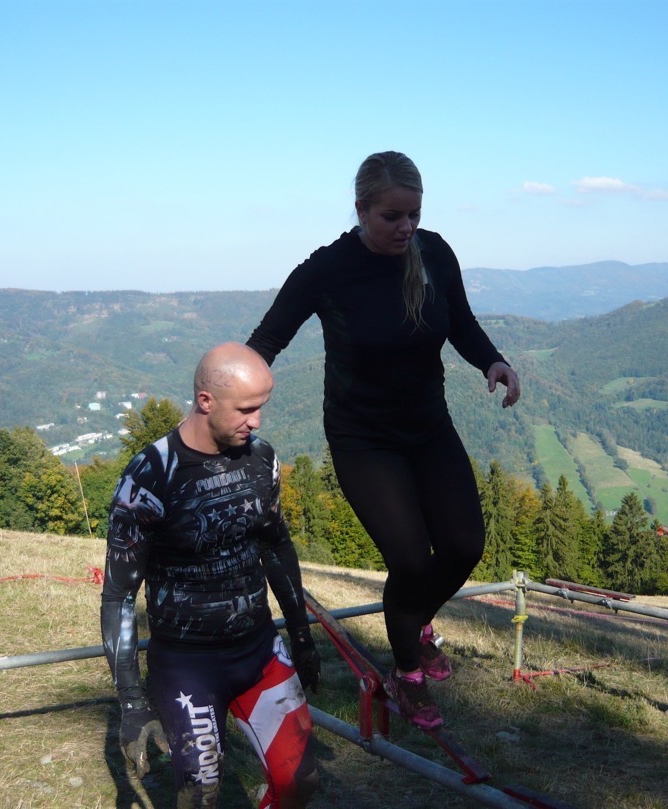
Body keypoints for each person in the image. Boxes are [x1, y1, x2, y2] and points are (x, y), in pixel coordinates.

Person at [246, 151, 520, 730]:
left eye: (414, 215)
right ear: (361, 209)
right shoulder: (328, 268)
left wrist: (492, 361)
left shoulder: (435, 253)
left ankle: (414, 622)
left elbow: (461, 322)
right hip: (362, 436)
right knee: (409, 558)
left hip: (428, 426)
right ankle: (407, 674)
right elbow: (267, 340)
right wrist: (231, 397)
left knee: (465, 544)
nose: (406, 228)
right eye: (393, 216)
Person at [100, 342, 320, 808]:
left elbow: (276, 546)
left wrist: (301, 635)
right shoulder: (149, 477)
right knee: (200, 796)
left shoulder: (261, 459)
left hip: (259, 650)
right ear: (205, 401)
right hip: (187, 666)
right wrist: (132, 704)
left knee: (301, 782)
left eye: (261, 407)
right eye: (246, 409)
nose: (257, 421)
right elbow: (119, 595)